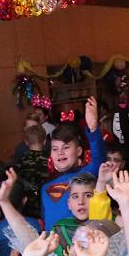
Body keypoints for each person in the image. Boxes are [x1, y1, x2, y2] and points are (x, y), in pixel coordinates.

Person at [41, 96, 105, 230]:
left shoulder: (87, 174)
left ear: (79, 151)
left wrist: (93, 129)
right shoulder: (45, 187)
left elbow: (99, 159)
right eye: (55, 149)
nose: (60, 153)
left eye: (66, 147)